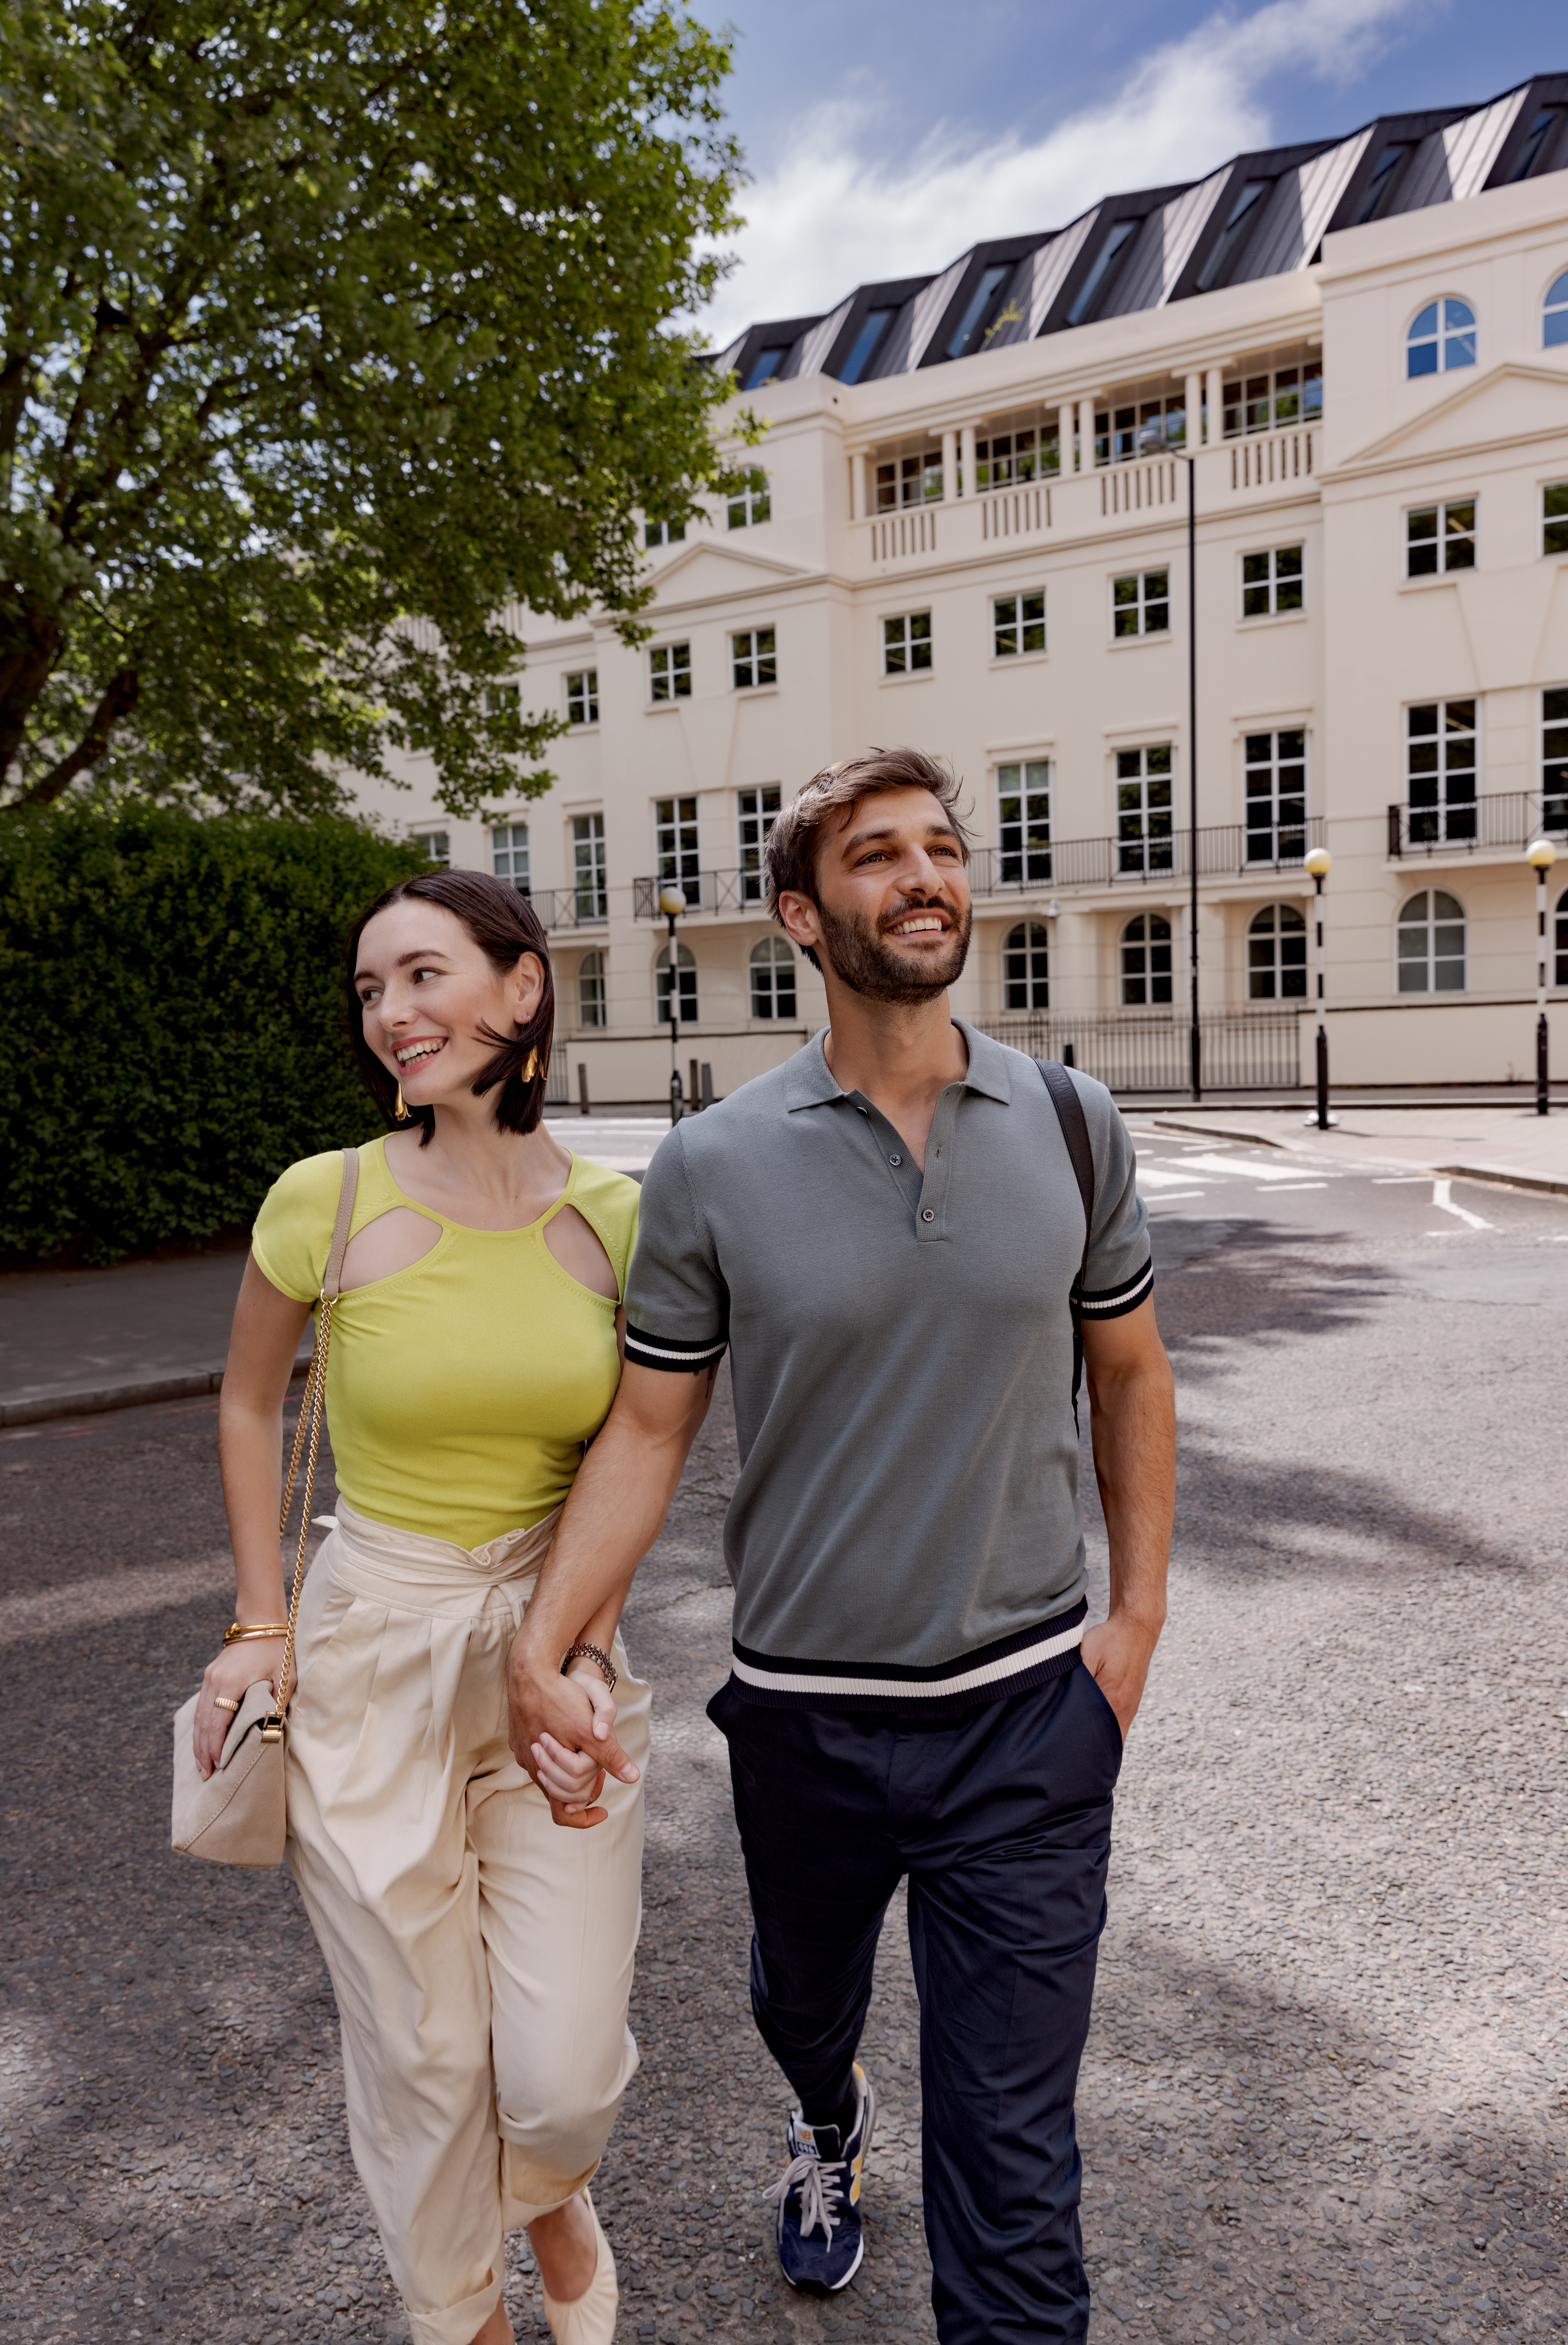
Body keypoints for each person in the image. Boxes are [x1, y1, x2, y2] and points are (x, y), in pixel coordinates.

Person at [507, 748, 1177, 2344]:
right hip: (805, 1716)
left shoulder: (1075, 1125)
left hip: (1028, 1719)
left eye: (944, 847)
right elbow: (653, 1430)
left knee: (1015, 2170)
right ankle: (823, 2118)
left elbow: (1132, 1372)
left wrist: (1135, 1626)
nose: (927, 876)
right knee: (801, 2000)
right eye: (879, 856)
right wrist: (546, 1639)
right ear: (804, 915)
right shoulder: (716, 1162)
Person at [193, 870, 646, 2345]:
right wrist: (262, 1622)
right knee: (424, 2051)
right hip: (369, 1641)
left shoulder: (619, 1218)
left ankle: (552, 2192)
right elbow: (253, 1399)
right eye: (372, 990)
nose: (393, 1014)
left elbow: (641, 1454)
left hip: (554, 1642)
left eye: (426, 976)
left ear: (523, 990)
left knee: (561, 2067)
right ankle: (462, 2316)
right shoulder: (325, 1200)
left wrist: (572, 1640)